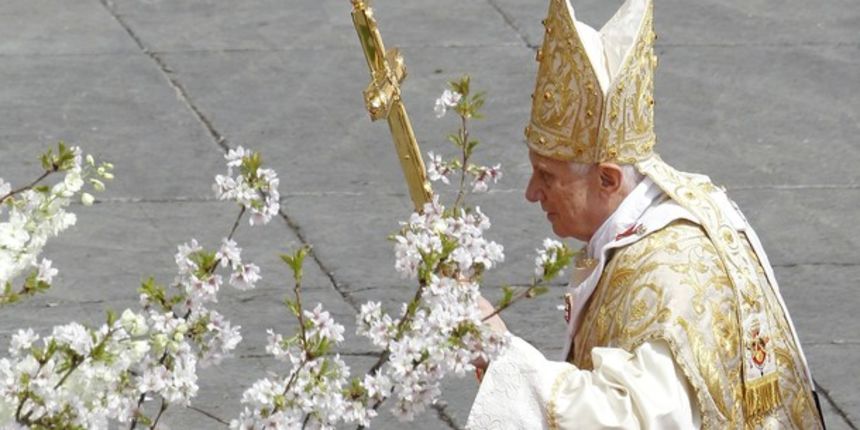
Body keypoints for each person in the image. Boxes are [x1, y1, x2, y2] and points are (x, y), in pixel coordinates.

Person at [467, 0, 825, 428]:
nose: (531, 193)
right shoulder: (676, 206)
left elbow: (634, 419)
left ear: (608, 179)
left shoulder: (668, 276)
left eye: (547, 175)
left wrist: (501, 354)